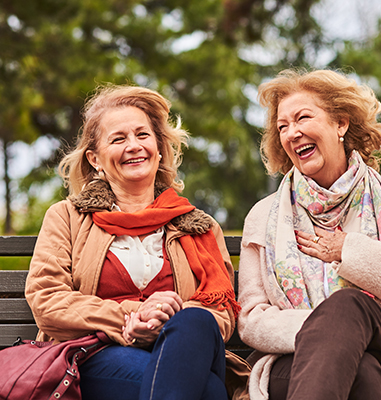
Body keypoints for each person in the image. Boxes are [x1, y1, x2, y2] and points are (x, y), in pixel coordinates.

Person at [237, 68, 381, 400]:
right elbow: (252, 320)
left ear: (341, 123)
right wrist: (329, 331)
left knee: (348, 306)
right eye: (282, 126)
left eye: (302, 118)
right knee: (362, 373)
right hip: (292, 361)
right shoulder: (264, 216)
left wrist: (349, 250)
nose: (292, 133)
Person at [25, 84, 245, 400]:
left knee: (194, 319)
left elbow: (221, 312)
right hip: (96, 353)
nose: (134, 146)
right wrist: (132, 316)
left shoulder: (198, 224)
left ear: (159, 148)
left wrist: (168, 318)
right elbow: (48, 299)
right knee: (209, 391)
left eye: (143, 135)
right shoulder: (68, 217)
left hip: (185, 350)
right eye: (118, 139)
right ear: (95, 158)